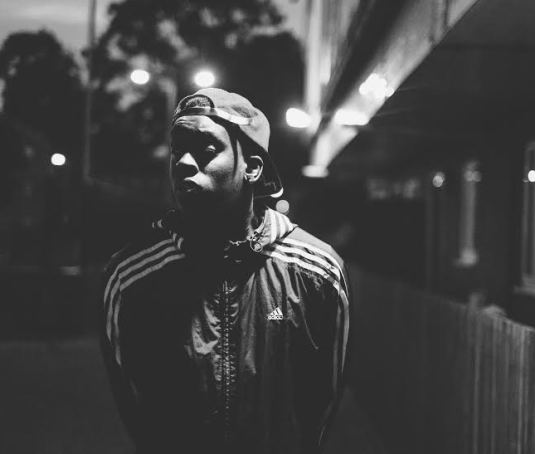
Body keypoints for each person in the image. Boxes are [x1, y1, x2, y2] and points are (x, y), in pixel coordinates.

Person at [100, 88, 351, 453]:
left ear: (252, 167)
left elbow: (323, 403)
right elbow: (135, 407)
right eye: (177, 149)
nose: (183, 163)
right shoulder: (131, 278)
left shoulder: (317, 273)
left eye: (205, 149)